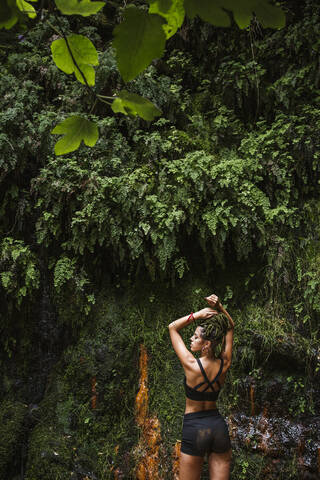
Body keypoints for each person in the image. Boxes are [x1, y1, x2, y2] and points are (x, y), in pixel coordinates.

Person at [168, 294, 234, 480]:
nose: (191, 338)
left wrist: (197, 315)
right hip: (218, 427)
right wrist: (220, 307)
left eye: (195, 337)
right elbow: (230, 327)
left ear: (206, 344)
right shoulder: (224, 363)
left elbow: (172, 328)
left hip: (195, 427)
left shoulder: (191, 364)